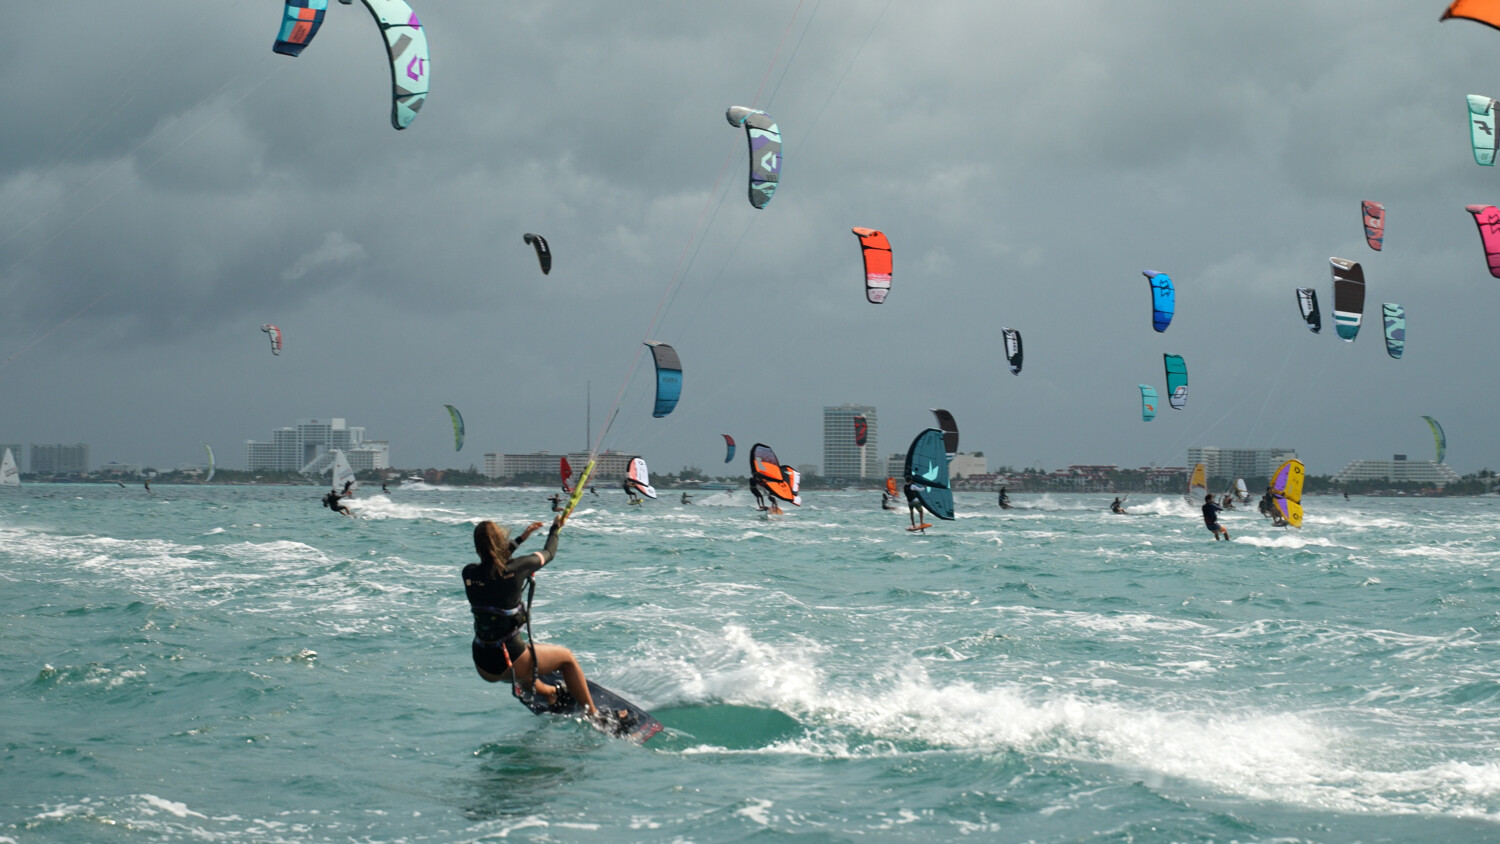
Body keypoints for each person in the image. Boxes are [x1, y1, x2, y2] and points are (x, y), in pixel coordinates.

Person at [464, 518, 619, 726]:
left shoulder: (469, 573)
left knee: (525, 665)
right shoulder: (519, 567)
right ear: (501, 542)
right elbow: (549, 553)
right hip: (510, 663)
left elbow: (495, 565)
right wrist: (556, 528)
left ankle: (550, 694)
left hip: (483, 666)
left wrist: (522, 537)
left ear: (477, 548)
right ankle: (594, 715)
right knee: (566, 659)